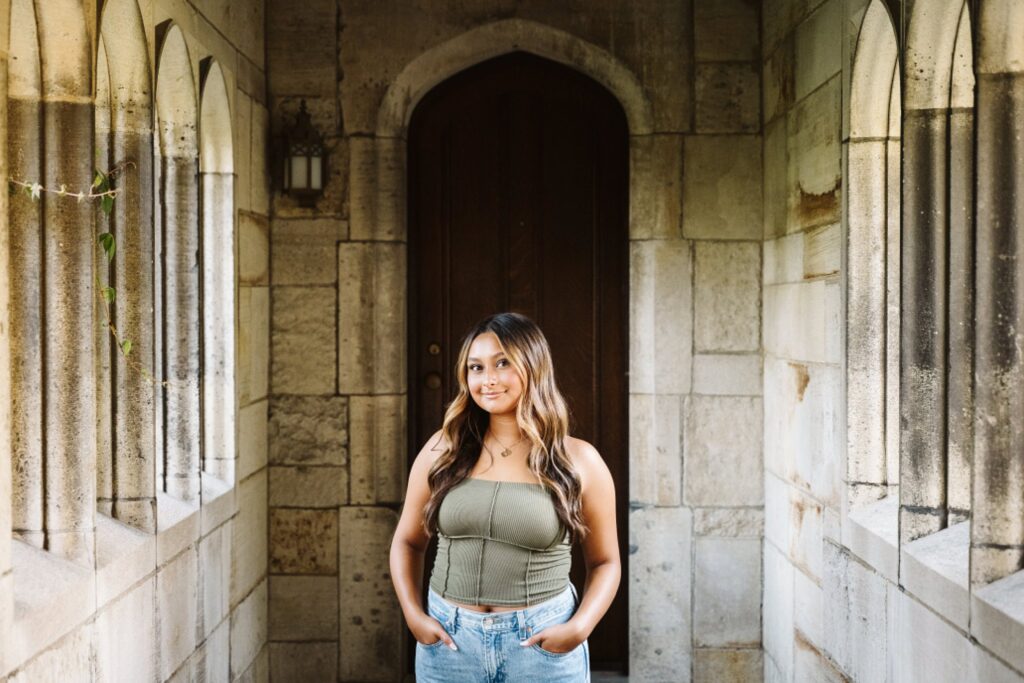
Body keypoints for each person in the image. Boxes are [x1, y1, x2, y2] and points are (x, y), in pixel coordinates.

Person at [389, 312, 620, 682]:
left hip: (541, 642)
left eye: (503, 363)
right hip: (450, 642)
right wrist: (414, 618)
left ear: (534, 366)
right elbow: (407, 541)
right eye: (476, 368)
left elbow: (606, 562)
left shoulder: (579, 460)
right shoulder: (443, 449)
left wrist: (579, 629)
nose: (488, 379)